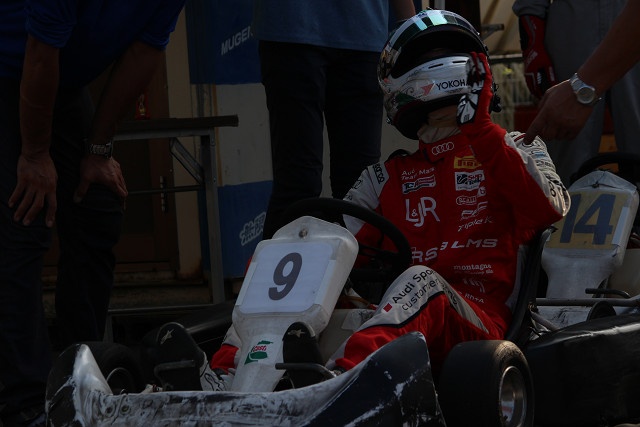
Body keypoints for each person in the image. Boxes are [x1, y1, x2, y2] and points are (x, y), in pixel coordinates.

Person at [159, 9, 566, 390]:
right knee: (285, 260)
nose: (433, 63)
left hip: (481, 323)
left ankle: (338, 382)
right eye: (424, 57)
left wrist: (481, 132)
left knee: (421, 279)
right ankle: (226, 379)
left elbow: (546, 210)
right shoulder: (385, 176)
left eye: (439, 55)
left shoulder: (518, 147)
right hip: (401, 316)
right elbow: (327, 250)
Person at [0, 1, 185, 425]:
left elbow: (145, 51)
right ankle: (24, 401)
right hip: (11, 67)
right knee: (24, 217)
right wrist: (35, 155)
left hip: (61, 79)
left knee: (97, 207)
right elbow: (40, 50)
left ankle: (79, 375)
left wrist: (98, 150)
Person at [255, 0, 417, 239]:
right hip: (292, 29)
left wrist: (409, 27)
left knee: (359, 186)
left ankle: (357, 263)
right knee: (298, 183)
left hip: (363, 34)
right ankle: (285, 262)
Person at [513, 0, 640, 184]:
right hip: (573, 29)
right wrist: (533, 45)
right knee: (567, 152)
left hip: (630, 23)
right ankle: (566, 198)